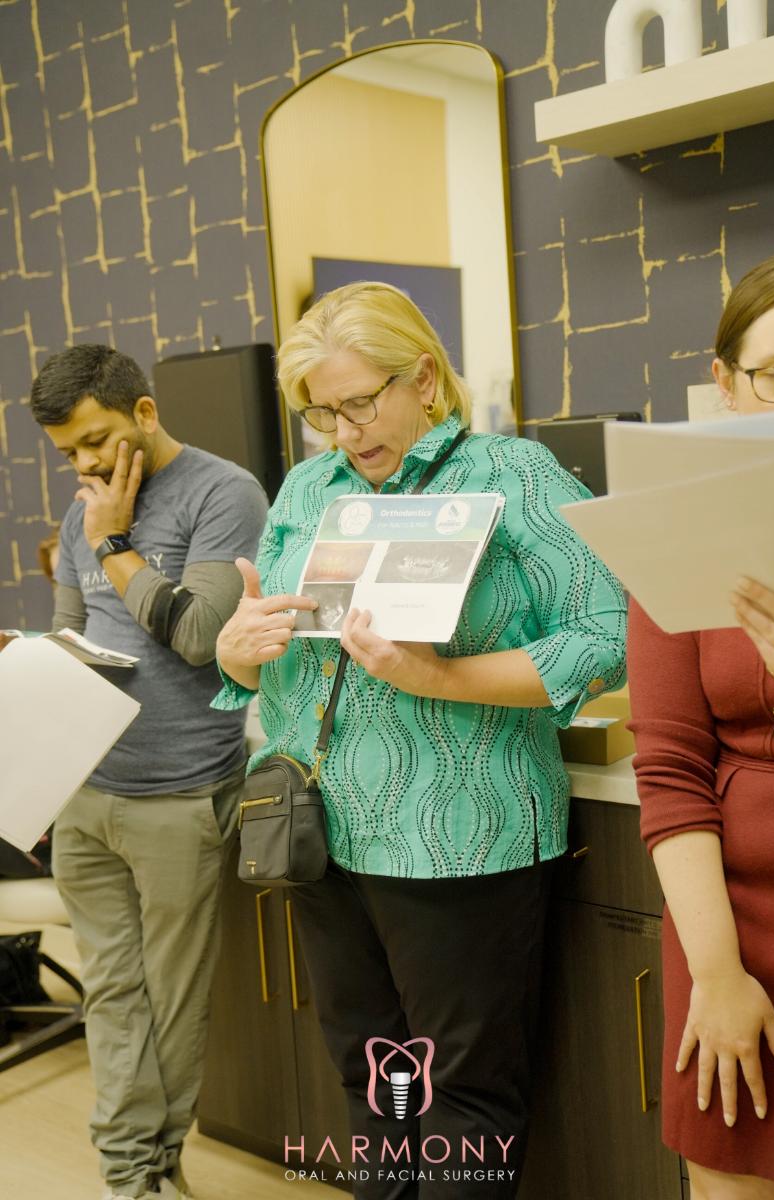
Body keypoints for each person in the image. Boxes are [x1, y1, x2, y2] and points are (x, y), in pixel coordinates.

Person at [214, 281, 627, 1198]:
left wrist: (443, 678)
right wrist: (237, 651)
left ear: (425, 377)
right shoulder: (308, 487)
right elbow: (282, 656)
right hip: (326, 834)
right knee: (373, 1087)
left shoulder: (513, 475)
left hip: (461, 835)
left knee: (461, 1100)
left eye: (362, 401)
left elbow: (607, 633)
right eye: (323, 413)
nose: (346, 431)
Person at [28, 345, 268, 1200]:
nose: (86, 464)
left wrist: (115, 541)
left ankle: (150, 1169)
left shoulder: (223, 493)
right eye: (68, 453)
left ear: (144, 412)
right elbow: (71, 634)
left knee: (171, 1004)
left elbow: (203, 635)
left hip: (181, 794)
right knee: (114, 996)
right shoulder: (86, 502)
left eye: (95, 439)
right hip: (89, 791)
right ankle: (131, 1178)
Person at [627, 252, 774, 1200]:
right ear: (726, 384)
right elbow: (671, 768)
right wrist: (717, 976)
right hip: (728, 931)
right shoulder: (674, 525)